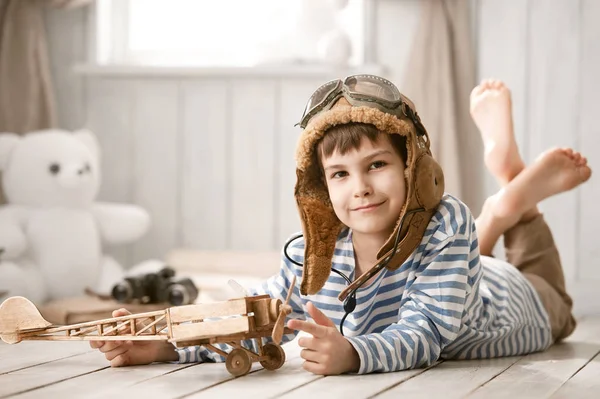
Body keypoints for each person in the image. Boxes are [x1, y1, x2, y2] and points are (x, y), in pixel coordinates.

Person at [90, 76, 592, 376]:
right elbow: (253, 318)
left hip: (517, 301)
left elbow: (428, 330)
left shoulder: (446, 222)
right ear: (321, 190)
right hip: (462, 268)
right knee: (457, 258)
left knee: (553, 293)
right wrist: (164, 344)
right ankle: (507, 194)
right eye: (340, 174)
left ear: (413, 169)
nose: (361, 188)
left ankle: (511, 200)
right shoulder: (316, 257)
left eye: (377, 165)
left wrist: (354, 352)